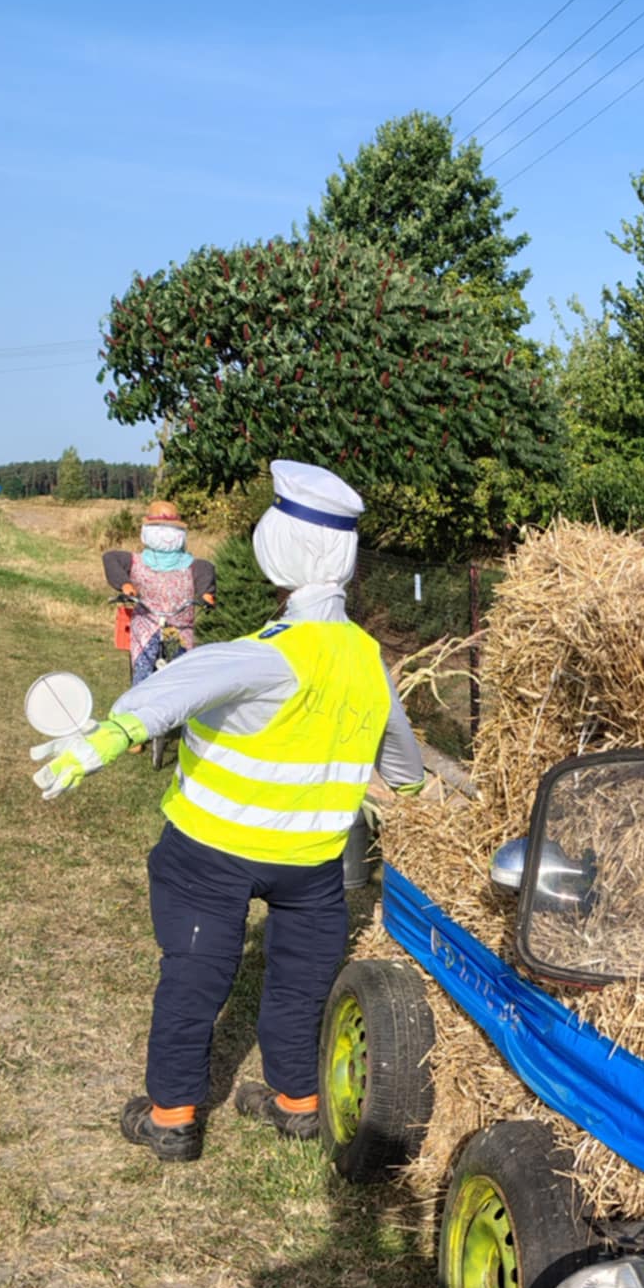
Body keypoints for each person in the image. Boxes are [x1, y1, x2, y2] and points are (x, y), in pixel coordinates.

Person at [33, 461, 426, 1162]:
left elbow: (178, 688)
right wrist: (415, 796)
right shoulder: (368, 660)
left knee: (195, 977)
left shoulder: (266, 655)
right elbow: (402, 764)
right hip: (311, 862)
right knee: (302, 982)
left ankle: (172, 1117)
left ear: (277, 553)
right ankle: (297, 1102)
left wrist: (107, 737)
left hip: (210, 853)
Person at [102, 499, 217, 681]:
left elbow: (206, 570)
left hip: (181, 627)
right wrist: (125, 585)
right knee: (143, 671)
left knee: (180, 673)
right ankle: (140, 695)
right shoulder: (136, 561)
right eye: (160, 529)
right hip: (146, 627)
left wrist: (206, 594)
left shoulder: (192, 564)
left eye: (172, 529)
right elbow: (110, 558)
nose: (167, 535)